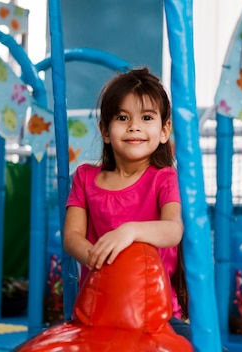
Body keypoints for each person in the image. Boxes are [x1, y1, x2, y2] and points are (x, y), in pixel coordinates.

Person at [63, 67, 191, 342]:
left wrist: (130, 231)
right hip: (98, 309)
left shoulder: (164, 179)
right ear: (105, 131)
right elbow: (72, 236)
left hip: (157, 314)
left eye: (146, 117)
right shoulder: (85, 177)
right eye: (122, 118)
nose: (134, 126)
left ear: (164, 130)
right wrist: (102, 264)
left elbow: (173, 230)